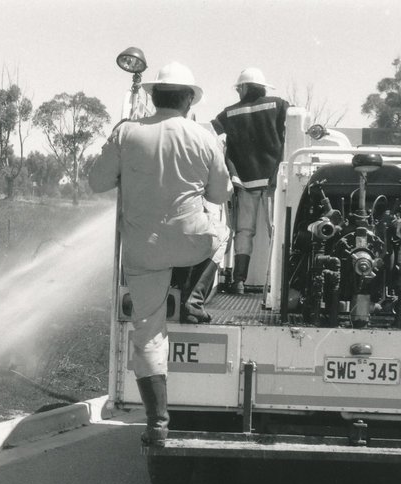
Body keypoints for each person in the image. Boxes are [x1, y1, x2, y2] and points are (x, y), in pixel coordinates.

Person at [88, 61, 230, 447]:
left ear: (153, 97)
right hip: (192, 244)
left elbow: (97, 182)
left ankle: (157, 424)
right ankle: (193, 294)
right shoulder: (204, 137)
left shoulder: (127, 132)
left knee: (149, 334)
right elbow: (219, 195)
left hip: (144, 252)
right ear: (188, 100)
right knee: (223, 232)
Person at [210, 67, 289, 294]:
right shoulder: (279, 105)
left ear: (244, 88)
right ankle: (280, 285)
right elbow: (294, 123)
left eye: (239, 89)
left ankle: (239, 281)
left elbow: (213, 133)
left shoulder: (230, 113)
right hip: (273, 180)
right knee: (277, 231)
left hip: (244, 181)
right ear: (262, 87)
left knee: (244, 231)